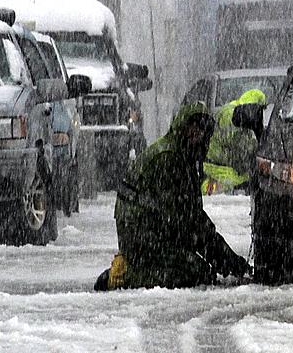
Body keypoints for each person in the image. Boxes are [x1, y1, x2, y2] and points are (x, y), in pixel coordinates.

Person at [94, 103, 250, 290]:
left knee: (198, 268)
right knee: (196, 273)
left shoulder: (184, 156)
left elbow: (191, 216)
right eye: (194, 128)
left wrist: (227, 261)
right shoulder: (169, 159)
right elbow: (186, 221)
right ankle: (125, 275)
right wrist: (227, 262)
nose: (198, 135)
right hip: (141, 233)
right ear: (183, 127)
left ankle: (140, 265)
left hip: (153, 227)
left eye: (203, 131)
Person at [202, 89, 267, 195]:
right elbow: (240, 146)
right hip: (217, 167)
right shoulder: (232, 116)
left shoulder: (237, 115)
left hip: (219, 164)